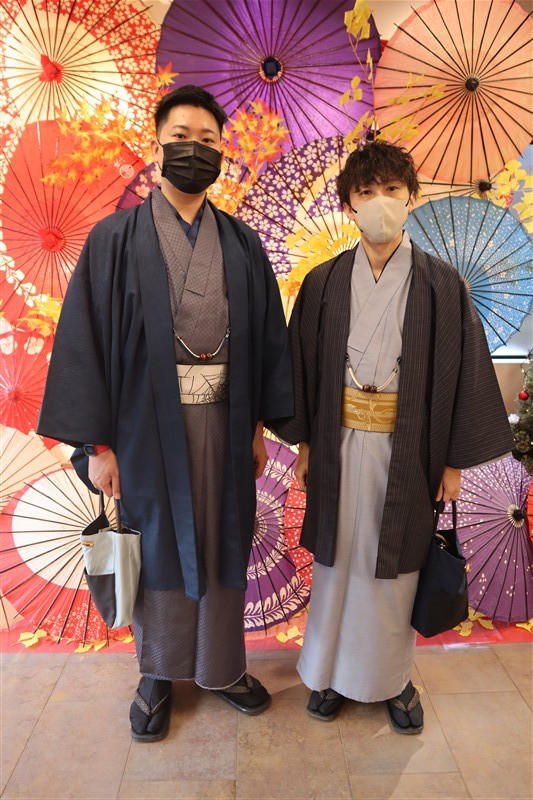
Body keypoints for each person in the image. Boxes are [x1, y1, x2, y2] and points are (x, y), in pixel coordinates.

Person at [38, 85, 293, 742]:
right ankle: (157, 671)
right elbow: (84, 341)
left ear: (221, 154)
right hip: (144, 430)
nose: (194, 150)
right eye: (181, 137)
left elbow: (266, 341)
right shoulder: (114, 239)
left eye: (208, 141)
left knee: (222, 541)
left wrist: (258, 428)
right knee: (157, 544)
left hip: (227, 422)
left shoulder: (241, 244)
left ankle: (222, 668)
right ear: (157, 146)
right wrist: (98, 447)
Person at [272, 141, 512, 733]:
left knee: (395, 566)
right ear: (349, 204)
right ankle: (330, 672)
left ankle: (391, 679)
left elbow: (464, 374)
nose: (379, 202)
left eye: (391, 190)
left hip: (410, 449)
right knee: (338, 562)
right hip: (337, 441)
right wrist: (305, 445)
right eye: (365, 192)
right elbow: (301, 366)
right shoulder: (323, 282)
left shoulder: (442, 285)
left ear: (410, 198)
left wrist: (453, 462)